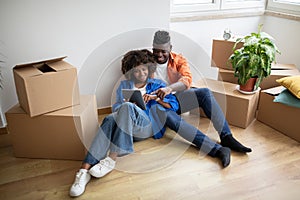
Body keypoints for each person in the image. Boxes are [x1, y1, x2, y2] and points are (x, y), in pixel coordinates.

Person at [69, 49, 179, 197]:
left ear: (149, 68)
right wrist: (124, 105)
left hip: (147, 126)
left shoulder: (158, 84)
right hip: (128, 126)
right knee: (110, 118)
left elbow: (174, 105)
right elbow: (116, 108)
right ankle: (84, 171)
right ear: (130, 72)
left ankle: (111, 159)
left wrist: (156, 99)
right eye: (136, 71)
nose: (141, 74)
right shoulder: (124, 86)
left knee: (125, 109)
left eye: (144, 69)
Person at [150, 30, 252, 166]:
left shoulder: (178, 60)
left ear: (170, 48)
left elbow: (187, 80)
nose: (160, 55)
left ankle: (227, 137)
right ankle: (218, 150)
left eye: (164, 51)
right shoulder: (145, 61)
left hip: (176, 99)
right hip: (159, 104)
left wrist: (170, 89)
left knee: (204, 92)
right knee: (169, 117)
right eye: (156, 51)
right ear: (153, 48)